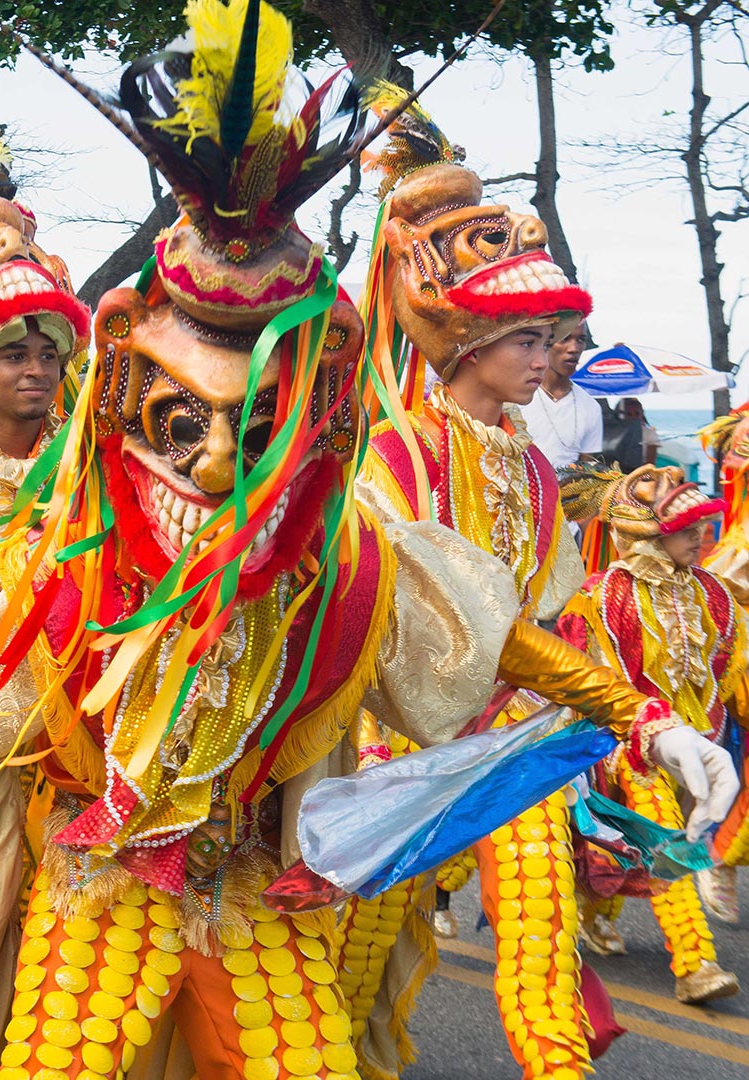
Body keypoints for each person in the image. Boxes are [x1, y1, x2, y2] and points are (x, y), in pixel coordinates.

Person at [0, 12, 738, 1080]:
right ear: (131, 395)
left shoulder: (347, 553)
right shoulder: (78, 552)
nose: (220, 468)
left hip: (255, 897)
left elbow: (492, 635)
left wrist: (642, 721)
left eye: (259, 422)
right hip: (98, 900)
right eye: (186, 421)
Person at [347, 99, 688, 1079]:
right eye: (525, 335)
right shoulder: (399, 453)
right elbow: (459, 620)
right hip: (401, 743)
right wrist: (627, 710)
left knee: (541, 935)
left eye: (548, 336)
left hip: (520, 737)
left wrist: (608, 719)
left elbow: (553, 606)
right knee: (362, 954)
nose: (546, 355)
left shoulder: (535, 471)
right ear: (462, 335)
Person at [556, 463, 746, 1002]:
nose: (700, 536)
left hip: (694, 741)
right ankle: (696, 964)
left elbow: (727, 664)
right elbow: (582, 681)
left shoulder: (714, 594)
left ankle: (595, 911)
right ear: (645, 533)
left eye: (700, 525)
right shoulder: (602, 596)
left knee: (628, 847)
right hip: (624, 745)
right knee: (664, 837)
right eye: (684, 528)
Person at [519, 321, 604, 469]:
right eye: (565, 338)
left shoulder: (591, 407)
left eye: (581, 340)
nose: (574, 348)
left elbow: (588, 470)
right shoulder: (517, 397)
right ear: (546, 342)